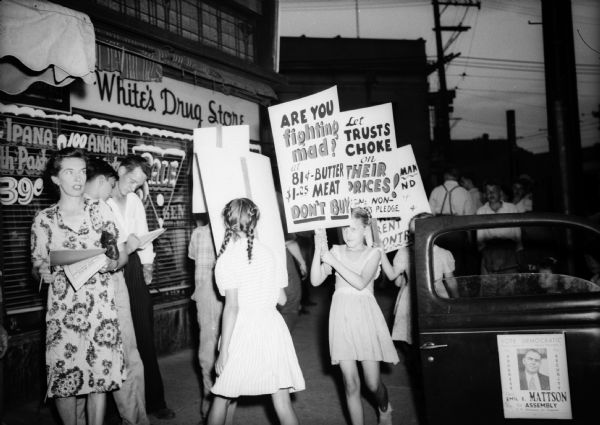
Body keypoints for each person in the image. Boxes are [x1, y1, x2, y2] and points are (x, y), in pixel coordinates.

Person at [31, 148, 127, 425]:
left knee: (99, 377)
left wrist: (112, 263)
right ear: (55, 179)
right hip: (63, 312)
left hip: (99, 309)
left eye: (82, 171)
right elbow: (37, 266)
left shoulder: (100, 211)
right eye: (69, 172)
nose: (77, 178)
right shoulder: (44, 220)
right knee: (63, 379)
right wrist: (42, 273)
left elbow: (118, 256)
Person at [207, 198, 305, 425]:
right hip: (272, 326)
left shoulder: (227, 258)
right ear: (255, 221)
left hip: (244, 328)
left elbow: (232, 307)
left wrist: (223, 352)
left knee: (222, 397)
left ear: (227, 222)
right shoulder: (270, 253)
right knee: (282, 401)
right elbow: (281, 298)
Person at [310, 207, 398, 425]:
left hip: (365, 319)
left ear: (365, 229)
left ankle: (385, 408)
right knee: (350, 383)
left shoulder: (373, 253)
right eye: (344, 229)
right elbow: (315, 280)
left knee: (372, 383)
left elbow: (360, 283)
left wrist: (332, 261)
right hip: (341, 318)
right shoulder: (336, 250)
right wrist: (318, 248)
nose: (347, 234)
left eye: (353, 229)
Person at [107, 154, 175, 420]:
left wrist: (148, 267)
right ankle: (118, 407)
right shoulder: (101, 199)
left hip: (133, 268)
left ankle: (155, 400)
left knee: (144, 333)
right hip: (109, 267)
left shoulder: (134, 200)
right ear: (119, 169)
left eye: (139, 184)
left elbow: (143, 234)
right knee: (115, 339)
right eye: (131, 180)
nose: (134, 187)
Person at [84, 157, 149, 425]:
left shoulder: (115, 207)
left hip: (118, 278)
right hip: (89, 290)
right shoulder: (61, 215)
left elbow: (114, 259)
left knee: (129, 353)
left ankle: (136, 418)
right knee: (92, 361)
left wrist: (136, 254)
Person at [380, 213, 458, 345]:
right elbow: (392, 275)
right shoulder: (404, 252)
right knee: (414, 339)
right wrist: (381, 252)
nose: (414, 235)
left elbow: (450, 280)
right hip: (411, 300)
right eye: (411, 232)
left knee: (436, 338)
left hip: (436, 298)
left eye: (418, 230)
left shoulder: (443, 253)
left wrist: (456, 302)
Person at [187, 213, 224, 422]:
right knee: (216, 352)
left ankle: (211, 405)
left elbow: (192, 256)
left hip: (207, 295)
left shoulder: (198, 233)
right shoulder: (233, 233)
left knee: (209, 352)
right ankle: (214, 407)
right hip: (216, 295)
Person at [476, 180, 522, 275]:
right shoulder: (481, 211)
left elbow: (517, 235)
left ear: (500, 192)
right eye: (488, 191)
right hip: (489, 252)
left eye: (494, 191)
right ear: (485, 194)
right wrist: (486, 257)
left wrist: (519, 252)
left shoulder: (511, 208)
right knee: (489, 285)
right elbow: (480, 240)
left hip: (508, 251)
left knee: (509, 284)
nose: (491, 194)